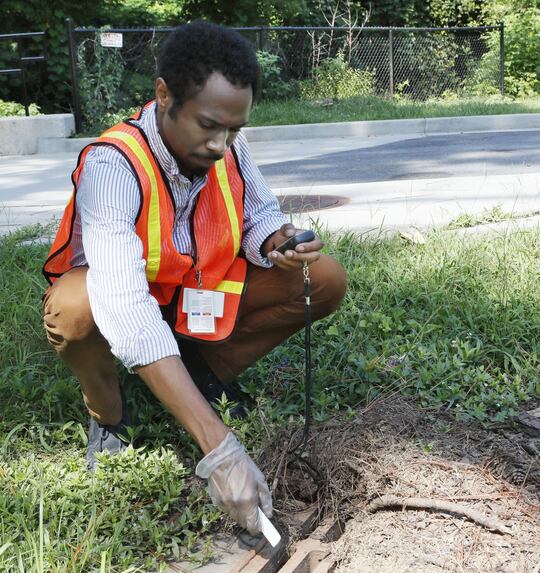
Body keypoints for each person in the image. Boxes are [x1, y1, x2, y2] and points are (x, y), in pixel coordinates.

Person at [41, 20, 346, 537]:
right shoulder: (113, 165)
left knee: (325, 277)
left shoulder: (227, 141)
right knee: (75, 310)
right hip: (124, 302)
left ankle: (203, 376)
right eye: (209, 126)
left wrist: (277, 242)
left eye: (234, 129)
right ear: (164, 96)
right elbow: (126, 308)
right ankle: (110, 414)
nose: (221, 144)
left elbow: (259, 215)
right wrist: (219, 446)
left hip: (187, 297)